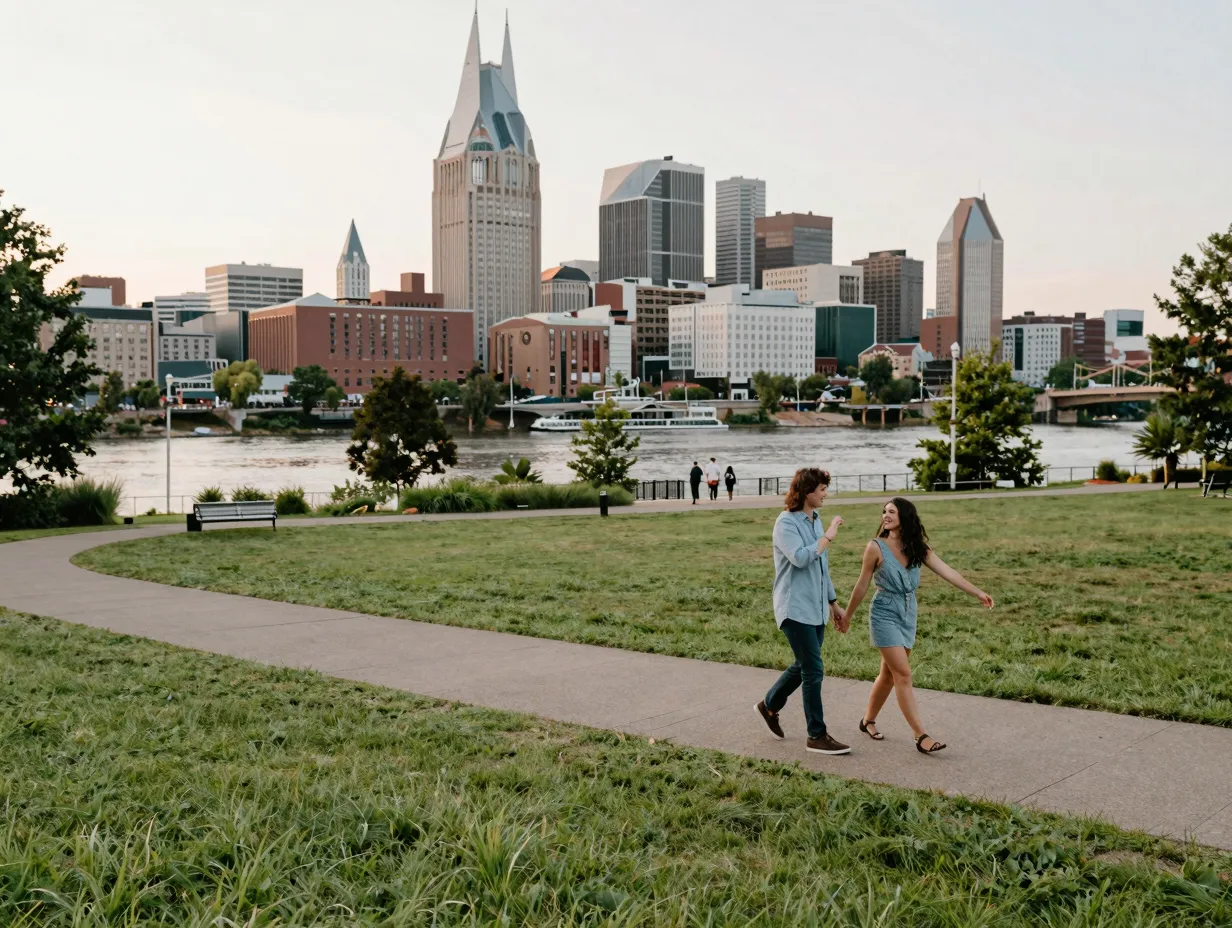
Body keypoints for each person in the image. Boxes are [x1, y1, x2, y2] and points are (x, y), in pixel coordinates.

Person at [838, 497, 993, 754]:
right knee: (903, 674)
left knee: (888, 674)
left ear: (904, 517)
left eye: (891, 512)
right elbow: (862, 585)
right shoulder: (875, 547)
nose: (885, 516)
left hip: (908, 613)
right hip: (884, 612)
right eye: (884, 512)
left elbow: (948, 572)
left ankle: (867, 721)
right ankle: (921, 736)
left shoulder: (918, 548)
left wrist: (977, 593)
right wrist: (848, 616)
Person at [755, 468, 851, 755]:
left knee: (804, 663)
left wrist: (833, 603)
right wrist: (828, 537)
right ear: (807, 491)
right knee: (813, 669)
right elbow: (799, 558)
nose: (825, 494)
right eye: (821, 488)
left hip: (816, 606)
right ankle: (816, 735)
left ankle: (769, 704)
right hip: (793, 607)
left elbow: (821, 567)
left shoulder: (816, 519)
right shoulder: (785, 523)